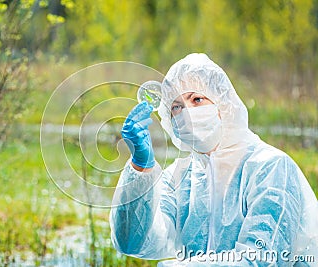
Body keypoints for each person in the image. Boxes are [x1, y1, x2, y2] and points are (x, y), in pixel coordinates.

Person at [109, 53, 318, 266]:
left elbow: (262, 260)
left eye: (197, 100)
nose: (187, 113)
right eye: (177, 107)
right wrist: (140, 168)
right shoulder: (179, 177)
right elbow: (133, 242)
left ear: (222, 104)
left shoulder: (270, 167)